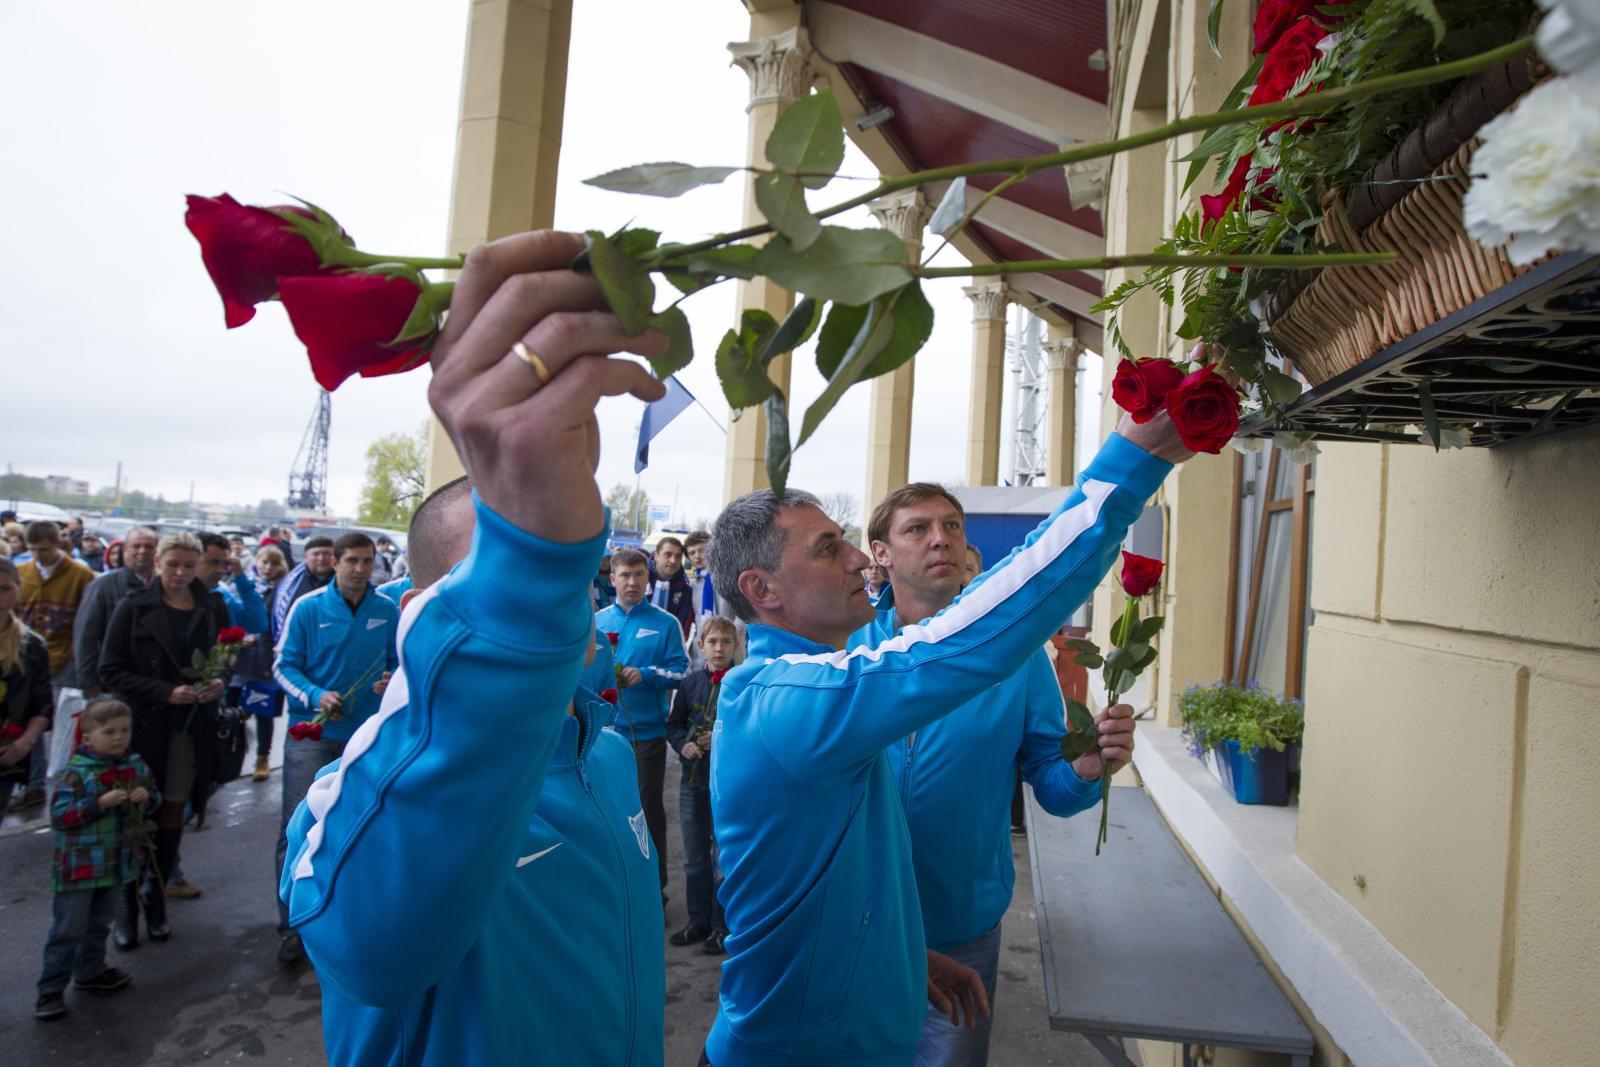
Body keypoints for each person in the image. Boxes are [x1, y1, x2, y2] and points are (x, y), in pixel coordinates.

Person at [279, 229, 671, 1064]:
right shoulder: (349, 797)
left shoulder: (599, 757)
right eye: (491, 583)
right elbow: (368, 948)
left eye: (569, 575)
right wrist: (525, 559)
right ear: (422, 609)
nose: (550, 604)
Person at [701, 410, 1189, 1066]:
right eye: (827, 548)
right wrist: (1132, 462)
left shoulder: (802, 684)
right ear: (762, 590)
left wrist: (904, 957)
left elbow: (832, 883)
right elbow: (976, 639)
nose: (854, 557)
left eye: (847, 539)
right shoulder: (790, 697)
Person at [865, 483, 1134, 1066]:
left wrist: (1086, 769)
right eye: (917, 528)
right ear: (880, 553)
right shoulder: (848, 652)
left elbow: (1055, 791)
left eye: (953, 526)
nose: (942, 539)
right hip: (859, 924)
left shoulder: (1017, 659)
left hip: (961, 927)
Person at [270, 531, 397, 965]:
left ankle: (342, 921)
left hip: (365, 741)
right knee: (298, 827)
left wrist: (390, 681)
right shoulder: (307, 609)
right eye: (352, 561)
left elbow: (401, 662)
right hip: (313, 735)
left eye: (367, 561)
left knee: (361, 827)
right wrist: (316, 695)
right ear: (335, 563)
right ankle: (291, 926)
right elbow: (283, 666)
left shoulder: (388, 610)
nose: (360, 569)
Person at [99, 531, 227, 946]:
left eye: (189, 566)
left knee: (172, 816)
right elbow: (110, 671)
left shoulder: (212, 606)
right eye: (172, 564)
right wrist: (163, 691)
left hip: (189, 730)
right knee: (137, 818)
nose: (180, 573)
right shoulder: (133, 608)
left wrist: (218, 683)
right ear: (157, 562)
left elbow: (227, 659)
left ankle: (156, 899)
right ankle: (127, 907)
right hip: (144, 730)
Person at [33, 696, 159, 1021]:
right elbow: (60, 817)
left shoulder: (135, 765)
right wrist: (98, 804)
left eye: (124, 730)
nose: (119, 737)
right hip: (79, 868)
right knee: (68, 929)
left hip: (117, 863)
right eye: (109, 731)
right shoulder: (75, 774)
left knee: (100, 923)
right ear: (88, 737)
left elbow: (154, 797)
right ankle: (50, 989)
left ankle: (91, 971)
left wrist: (147, 797)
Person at [595, 546, 688, 897]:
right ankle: (613, 888)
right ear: (612, 578)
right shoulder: (597, 621)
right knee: (606, 810)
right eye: (624, 575)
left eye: (638, 575)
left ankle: (654, 889)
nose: (631, 582)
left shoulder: (665, 623)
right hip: (602, 734)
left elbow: (682, 672)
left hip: (646, 736)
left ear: (647, 578)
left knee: (646, 813)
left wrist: (646, 675)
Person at [665, 615, 737, 955]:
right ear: (700, 645)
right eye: (713, 642)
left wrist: (722, 739)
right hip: (692, 782)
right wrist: (684, 744)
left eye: (726, 642)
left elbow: (751, 730)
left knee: (724, 858)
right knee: (694, 857)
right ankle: (698, 922)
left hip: (728, 786)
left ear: (736, 646)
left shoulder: (741, 685)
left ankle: (723, 926)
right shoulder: (690, 685)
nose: (719, 648)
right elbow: (674, 725)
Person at [18, 521, 97, 809]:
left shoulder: (80, 575)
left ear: (57, 544)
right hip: (26, 659)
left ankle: (58, 784)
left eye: (45, 549)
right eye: (33, 550)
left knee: (62, 727)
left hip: (65, 660)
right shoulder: (21, 573)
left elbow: (86, 622)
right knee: (29, 722)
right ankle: (33, 784)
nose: (39, 556)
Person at [73, 527, 159, 700]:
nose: (142, 551)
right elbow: (86, 636)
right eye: (136, 546)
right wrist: (88, 680)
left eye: (149, 547)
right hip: (112, 680)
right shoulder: (103, 585)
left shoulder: (164, 585)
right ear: (125, 551)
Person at [1, 557, 53, 810]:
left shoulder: (32, 645)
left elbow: (42, 705)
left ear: (18, 589)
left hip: (8, 753)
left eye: (5, 588)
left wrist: (25, 743)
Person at [239, 545, 289, 781]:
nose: (268, 568)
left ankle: (262, 757)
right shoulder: (245, 587)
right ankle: (234, 755)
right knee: (236, 710)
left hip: (264, 660)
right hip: (239, 661)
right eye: (264, 562)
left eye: (273, 563)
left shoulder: (282, 591)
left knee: (263, 712)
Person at [268, 535, 334, 643]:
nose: (321, 558)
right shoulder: (288, 585)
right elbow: (270, 618)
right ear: (306, 556)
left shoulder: (344, 585)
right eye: (316, 554)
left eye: (327, 554)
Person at [649, 535, 695, 640]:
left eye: (678, 556)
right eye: (668, 555)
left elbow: (682, 628)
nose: (673, 561)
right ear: (656, 556)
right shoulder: (640, 579)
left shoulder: (685, 590)